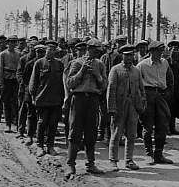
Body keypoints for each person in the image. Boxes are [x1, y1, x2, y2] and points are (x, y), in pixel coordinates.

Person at [66, 38, 108, 177]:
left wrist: (97, 76)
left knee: (91, 133)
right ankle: (71, 165)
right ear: (88, 48)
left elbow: (104, 85)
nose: (96, 52)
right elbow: (70, 83)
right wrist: (82, 71)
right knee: (75, 132)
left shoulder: (100, 64)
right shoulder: (77, 63)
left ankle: (91, 164)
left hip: (93, 100)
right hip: (79, 99)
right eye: (94, 49)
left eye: (98, 50)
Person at [107, 44, 146, 171]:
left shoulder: (136, 71)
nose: (129, 57)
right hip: (119, 106)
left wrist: (142, 104)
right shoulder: (115, 70)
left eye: (131, 55)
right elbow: (111, 90)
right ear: (122, 56)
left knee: (131, 134)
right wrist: (111, 108)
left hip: (133, 106)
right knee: (116, 133)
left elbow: (141, 89)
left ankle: (129, 160)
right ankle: (113, 160)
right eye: (126, 55)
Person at [137, 40, 174, 165]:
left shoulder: (165, 63)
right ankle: (149, 154)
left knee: (162, 125)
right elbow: (136, 83)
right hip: (147, 94)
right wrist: (141, 97)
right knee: (147, 126)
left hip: (161, 95)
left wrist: (168, 94)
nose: (160, 53)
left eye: (161, 51)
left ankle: (159, 154)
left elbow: (170, 80)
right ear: (151, 51)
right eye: (158, 51)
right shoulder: (142, 65)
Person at [29, 40, 65, 157]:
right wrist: (33, 97)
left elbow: (63, 82)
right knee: (42, 122)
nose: (51, 51)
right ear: (46, 50)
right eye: (49, 49)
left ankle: (50, 146)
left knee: (53, 123)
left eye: (54, 49)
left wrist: (63, 99)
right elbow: (33, 82)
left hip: (55, 100)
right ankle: (40, 146)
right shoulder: (39, 63)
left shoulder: (59, 64)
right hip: (42, 99)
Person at [0, 35, 21, 133]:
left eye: (15, 42)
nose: (13, 44)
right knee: (6, 103)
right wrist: (0, 83)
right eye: (11, 42)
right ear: (8, 43)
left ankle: (18, 125)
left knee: (16, 103)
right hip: (6, 81)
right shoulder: (3, 54)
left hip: (15, 81)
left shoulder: (19, 54)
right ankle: (8, 124)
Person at [24, 44, 46, 146]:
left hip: (43, 94)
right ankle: (29, 136)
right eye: (38, 52)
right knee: (31, 115)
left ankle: (40, 136)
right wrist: (31, 92)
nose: (40, 54)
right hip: (31, 93)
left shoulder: (45, 64)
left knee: (42, 117)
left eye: (42, 52)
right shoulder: (29, 64)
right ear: (35, 52)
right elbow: (25, 80)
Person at [166, 39, 179, 135]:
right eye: (172, 49)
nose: (174, 51)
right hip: (167, 88)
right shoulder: (165, 62)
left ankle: (172, 127)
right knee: (166, 109)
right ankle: (166, 128)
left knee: (174, 109)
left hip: (177, 89)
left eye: (176, 49)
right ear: (169, 50)